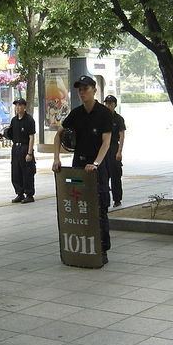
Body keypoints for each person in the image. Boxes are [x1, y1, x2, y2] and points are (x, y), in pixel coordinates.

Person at [52, 75, 112, 262]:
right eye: (79, 89)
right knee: (78, 206)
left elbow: (106, 142)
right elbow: (58, 135)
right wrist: (56, 158)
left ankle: (102, 248)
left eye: (86, 89)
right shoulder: (76, 114)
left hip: (96, 168)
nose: (82, 92)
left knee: (99, 206)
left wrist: (95, 164)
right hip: (78, 167)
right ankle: (81, 246)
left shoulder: (104, 113)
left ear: (95, 90)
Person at [8, 98, 36, 203]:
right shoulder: (14, 120)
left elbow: (31, 137)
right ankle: (19, 193)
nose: (17, 107)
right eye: (16, 105)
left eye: (20, 105)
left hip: (25, 148)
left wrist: (29, 153)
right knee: (16, 171)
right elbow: (11, 134)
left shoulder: (29, 120)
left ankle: (29, 194)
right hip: (15, 148)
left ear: (24, 107)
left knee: (27, 172)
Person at [103, 95, 126, 207]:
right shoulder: (101, 118)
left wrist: (119, 151)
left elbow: (121, 136)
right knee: (103, 175)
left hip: (113, 148)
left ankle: (117, 199)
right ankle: (104, 201)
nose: (108, 106)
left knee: (115, 175)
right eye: (106, 103)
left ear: (115, 105)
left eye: (110, 104)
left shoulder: (118, 119)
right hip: (103, 148)